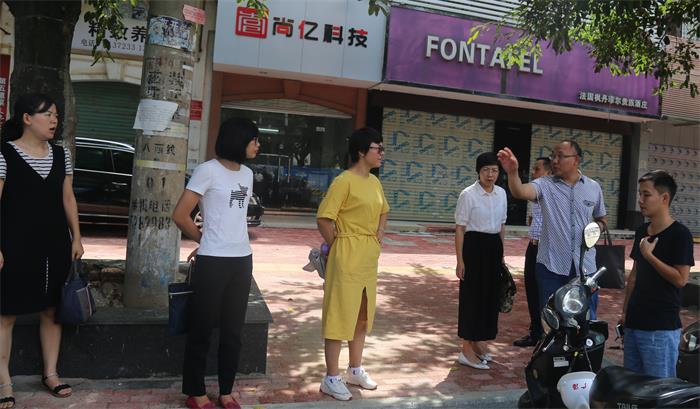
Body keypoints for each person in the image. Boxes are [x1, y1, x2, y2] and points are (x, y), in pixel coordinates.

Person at [0, 94, 84, 409]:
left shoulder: (62, 154)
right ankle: (4, 382)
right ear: (26, 118)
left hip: (55, 244)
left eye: (56, 115)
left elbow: (68, 198)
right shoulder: (4, 153)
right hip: (13, 244)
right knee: (6, 312)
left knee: (51, 310)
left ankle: (51, 373)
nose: (54, 120)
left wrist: (76, 237)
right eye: (47, 114)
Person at [172, 117, 261, 409]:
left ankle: (225, 391)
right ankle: (195, 392)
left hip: (242, 260)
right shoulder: (207, 171)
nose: (258, 145)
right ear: (238, 140)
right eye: (254, 140)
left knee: (233, 332)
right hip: (213, 262)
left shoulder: (247, 174)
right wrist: (205, 240)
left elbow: (234, 217)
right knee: (202, 328)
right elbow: (180, 215)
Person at [316, 127, 389, 401]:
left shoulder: (374, 182)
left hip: (367, 258)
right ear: (361, 151)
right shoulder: (343, 181)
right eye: (377, 148)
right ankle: (331, 377)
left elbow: (384, 210)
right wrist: (337, 246)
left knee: (361, 315)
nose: (382, 153)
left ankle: (355, 369)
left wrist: (379, 234)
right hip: (346, 255)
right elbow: (324, 218)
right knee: (339, 314)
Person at [497, 140, 607, 320]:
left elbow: (602, 218)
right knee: (552, 322)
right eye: (553, 156)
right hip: (551, 268)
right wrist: (512, 172)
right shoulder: (544, 185)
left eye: (560, 156)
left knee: (585, 321)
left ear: (576, 160)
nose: (554, 161)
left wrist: (596, 229)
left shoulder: (593, 187)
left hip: (585, 267)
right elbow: (519, 191)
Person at [621, 170, 693, 377]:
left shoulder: (680, 235)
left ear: (664, 198)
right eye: (640, 194)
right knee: (631, 386)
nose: (640, 200)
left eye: (646, 194)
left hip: (660, 329)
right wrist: (625, 313)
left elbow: (681, 279)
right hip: (634, 323)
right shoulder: (642, 231)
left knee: (658, 387)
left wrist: (650, 256)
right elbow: (634, 276)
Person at [454, 152, 507, 370]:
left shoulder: (502, 193)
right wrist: (460, 261)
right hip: (473, 248)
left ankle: (479, 341)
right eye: (486, 170)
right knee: (472, 298)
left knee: (489, 298)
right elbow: (460, 228)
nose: (490, 174)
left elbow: (502, 225)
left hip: (493, 247)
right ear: (478, 171)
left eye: (494, 170)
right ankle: (466, 349)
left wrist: (501, 255)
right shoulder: (468, 194)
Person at [514, 157, 551, 347]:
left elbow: (519, 190)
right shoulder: (536, 189)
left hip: (548, 248)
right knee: (531, 288)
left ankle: (547, 333)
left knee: (546, 290)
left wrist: (512, 172)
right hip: (533, 245)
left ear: (548, 172)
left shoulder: (548, 188)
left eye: (537, 169)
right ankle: (536, 331)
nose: (533, 173)